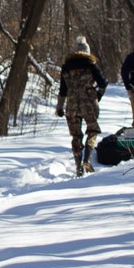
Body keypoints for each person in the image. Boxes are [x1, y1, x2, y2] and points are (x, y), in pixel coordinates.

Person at [56, 36, 107, 176]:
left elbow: (62, 90)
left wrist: (59, 107)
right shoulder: (91, 65)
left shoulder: (66, 67)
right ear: (87, 51)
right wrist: (98, 95)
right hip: (89, 103)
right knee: (92, 130)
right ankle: (87, 158)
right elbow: (103, 83)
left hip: (71, 105)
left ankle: (78, 166)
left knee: (76, 136)